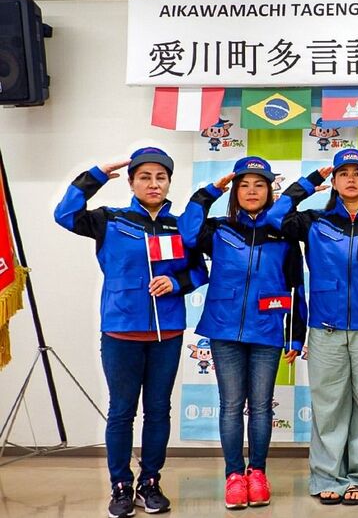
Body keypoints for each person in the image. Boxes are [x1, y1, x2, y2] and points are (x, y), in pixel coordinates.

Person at [53, 147, 207, 518]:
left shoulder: (181, 225)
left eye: (161, 177)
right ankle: (120, 486)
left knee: (158, 411)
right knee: (121, 412)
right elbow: (64, 214)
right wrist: (97, 174)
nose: (154, 184)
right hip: (121, 332)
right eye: (145, 177)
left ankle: (150, 482)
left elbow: (200, 271)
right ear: (133, 182)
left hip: (166, 334)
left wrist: (175, 281)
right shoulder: (111, 220)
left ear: (169, 181)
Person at [267, 148, 358, 506]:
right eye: (342, 173)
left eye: (357, 173)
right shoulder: (314, 222)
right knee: (328, 406)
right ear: (334, 180)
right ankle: (328, 476)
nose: (350, 179)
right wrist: (308, 182)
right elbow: (274, 217)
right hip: (325, 331)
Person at [178, 156, 309, 509]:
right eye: (244, 185)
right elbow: (188, 233)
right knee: (232, 406)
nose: (252, 191)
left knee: (262, 407)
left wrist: (296, 336)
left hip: (267, 331)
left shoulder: (283, 234)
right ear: (234, 191)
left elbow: (297, 288)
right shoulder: (219, 229)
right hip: (223, 330)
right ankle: (234, 476)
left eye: (260, 184)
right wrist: (209, 192)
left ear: (270, 191)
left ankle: (258, 474)